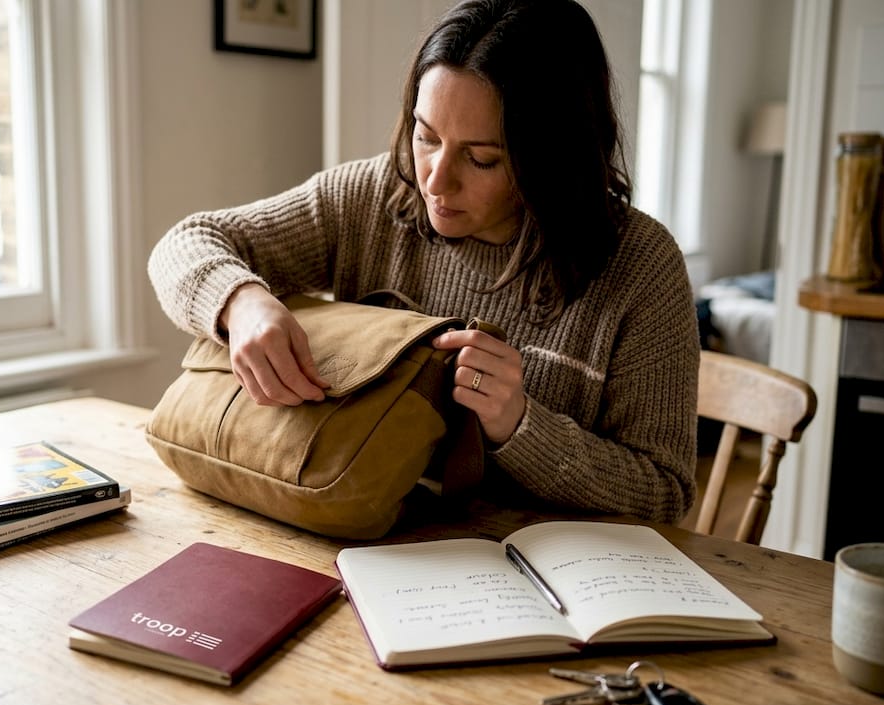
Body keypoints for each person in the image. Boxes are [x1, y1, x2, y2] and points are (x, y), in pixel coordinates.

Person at [148, 0, 699, 524]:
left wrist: (520, 425)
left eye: (481, 159)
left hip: (531, 570)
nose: (436, 180)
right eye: (426, 136)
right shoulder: (370, 198)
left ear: (553, 157)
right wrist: (242, 303)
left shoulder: (641, 267)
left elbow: (664, 493)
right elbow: (187, 241)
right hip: (352, 532)